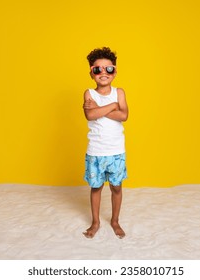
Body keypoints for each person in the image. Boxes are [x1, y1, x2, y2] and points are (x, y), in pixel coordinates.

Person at [82, 47, 129, 239]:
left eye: (108, 69)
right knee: (96, 187)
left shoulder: (119, 92)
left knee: (116, 187)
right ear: (91, 73)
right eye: (98, 69)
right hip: (96, 151)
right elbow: (90, 114)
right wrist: (111, 107)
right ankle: (95, 222)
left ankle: (115, 220)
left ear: (115, 71)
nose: (103, 73)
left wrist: (100, 108)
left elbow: (124, 115)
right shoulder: (88, 94)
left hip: (116, 151)